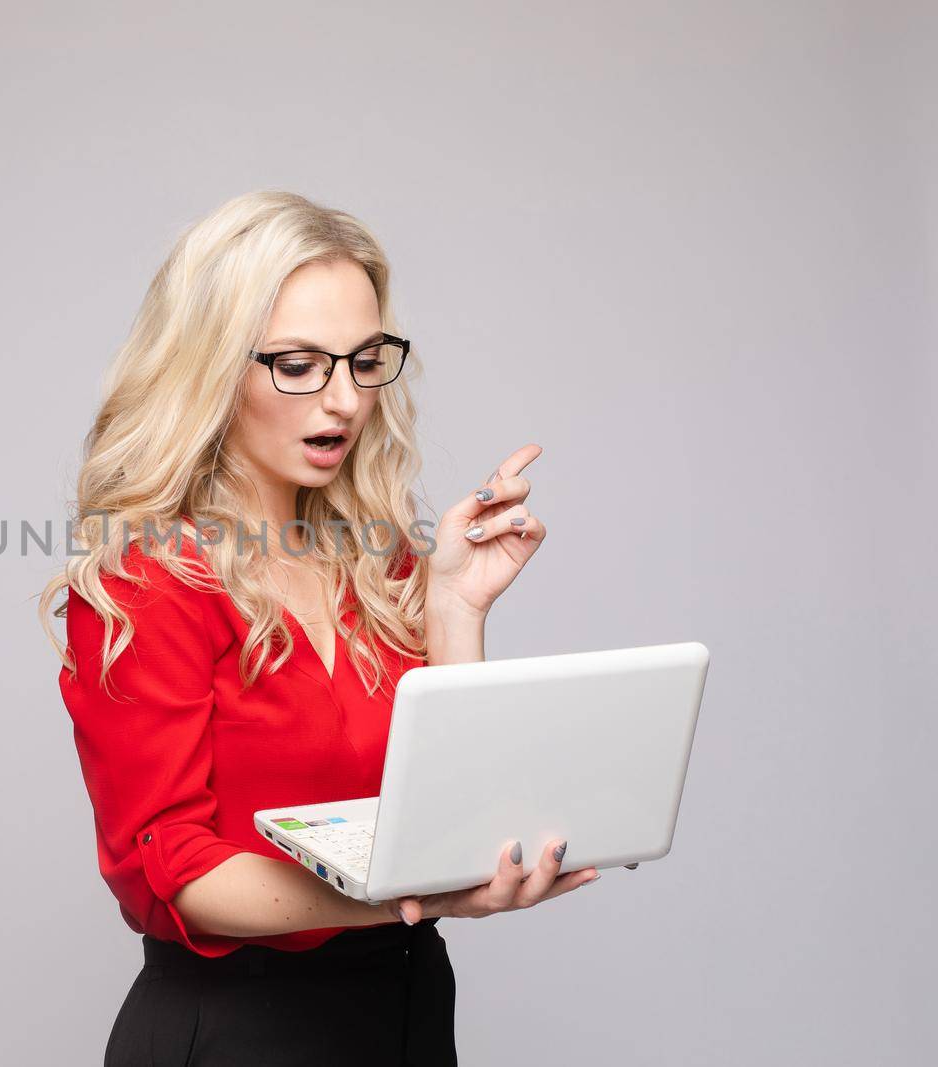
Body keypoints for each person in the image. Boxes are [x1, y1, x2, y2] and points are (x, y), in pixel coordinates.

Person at [39, 190, 600, 1066]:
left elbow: (440, 811)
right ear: (212, 367)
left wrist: (455, 607)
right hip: (239, 1030)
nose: (343, 401)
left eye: (364, 360)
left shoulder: (377, 561)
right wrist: (416, 897)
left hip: (407, 1005)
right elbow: (177, 871)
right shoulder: (147, 578)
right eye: (298, 365)